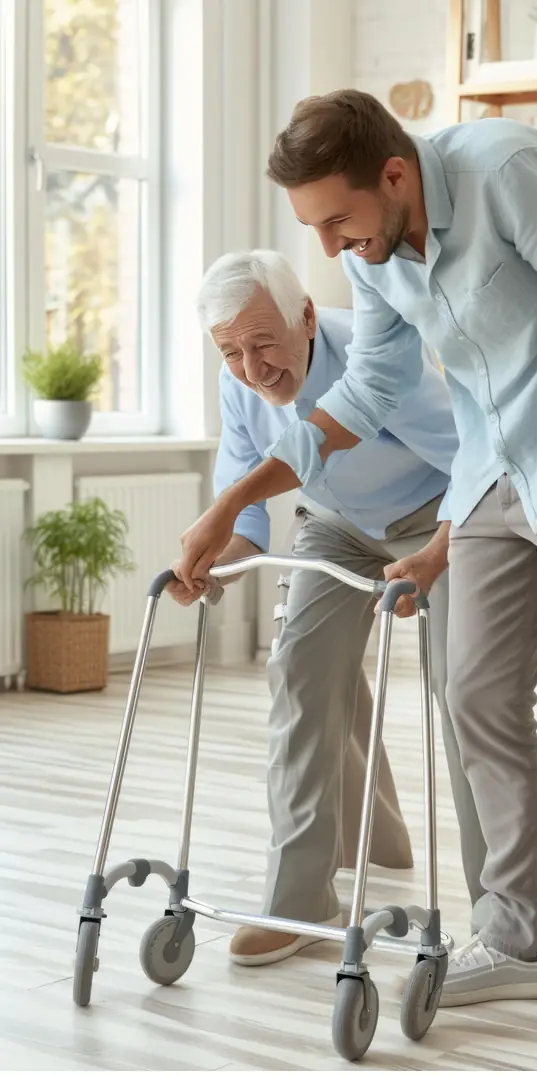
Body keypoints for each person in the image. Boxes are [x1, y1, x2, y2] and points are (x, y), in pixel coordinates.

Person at [174, 92, 537, 1049]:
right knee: (477, 695)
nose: (328, 247)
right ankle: (520, 938)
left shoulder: (503, 169)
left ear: (397, 177)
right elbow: (371, 387)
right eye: (311, 226)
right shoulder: (373, 254)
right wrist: (228, 505)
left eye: (337, 219)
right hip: (490, 473)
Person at [168, 248, 488, 966]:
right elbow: (242, 487)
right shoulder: (239, 383)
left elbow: (473, 455)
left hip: (438, 513)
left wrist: (441, 550)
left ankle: (501, 914)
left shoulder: (376, 354)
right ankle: (300, 896)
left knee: (464, 696)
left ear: (306, 316)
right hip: (336, 524)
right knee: (301, 672)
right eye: (231, 353)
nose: (251, 368)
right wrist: (216, 560)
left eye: (262, 344)